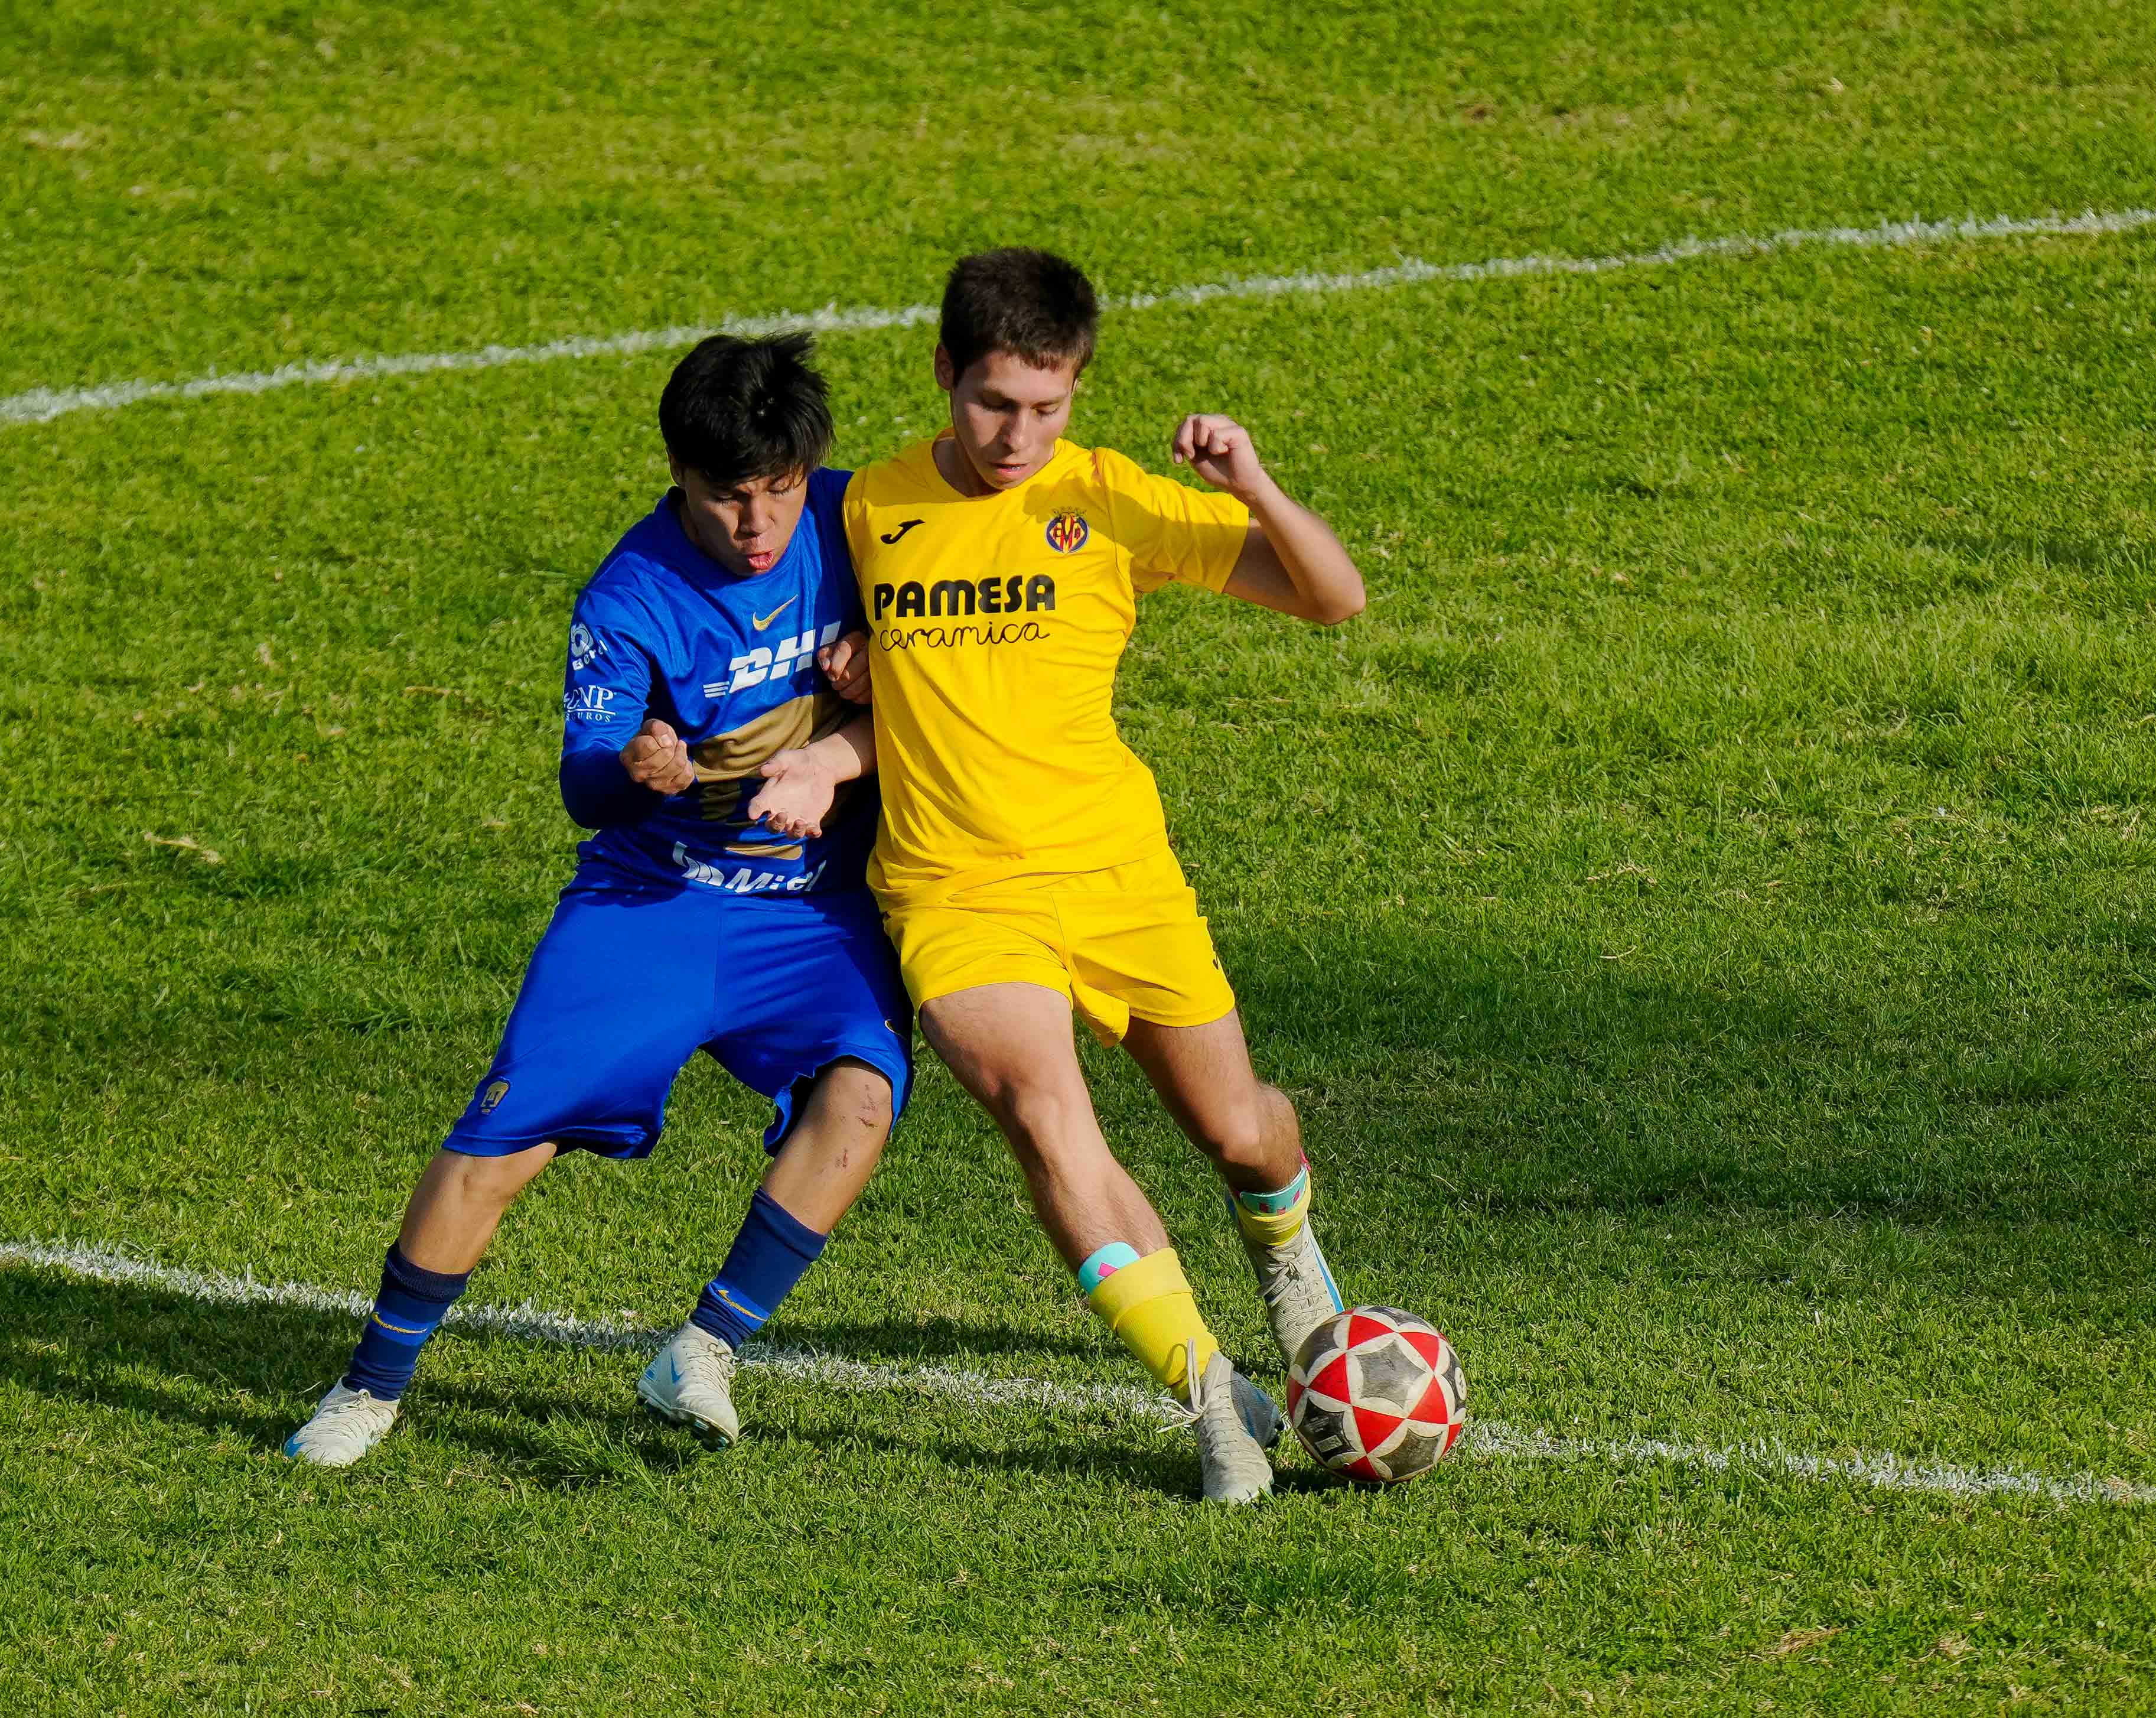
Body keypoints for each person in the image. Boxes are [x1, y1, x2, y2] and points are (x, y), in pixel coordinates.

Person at [285, 332, 909, 1467]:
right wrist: (634, 772)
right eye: (729, 500)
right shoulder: (628, 598)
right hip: (655, 899)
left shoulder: (862, 520)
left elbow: (970, 669)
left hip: (810, 909)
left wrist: (887, 664)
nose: (759, 526)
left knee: (864, 1095)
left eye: (776, 493)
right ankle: (369, 1389)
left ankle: (706, 1347)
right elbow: (583, 782)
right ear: (679, 474)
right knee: (504, 1138)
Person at [841, 248, 1366, 1502]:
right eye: (991, 403)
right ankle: (1211, 1401)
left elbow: (1333, 597)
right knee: (1042, 1114)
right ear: (942, 374)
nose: (1018, 434)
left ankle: (1285, 1246)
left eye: (1047, 405)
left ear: (1077, 390)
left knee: (1239, 1129)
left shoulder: (1111, 502)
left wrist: (1252, 482)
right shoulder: (865, 507)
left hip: (1118, 871)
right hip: (956, 887)